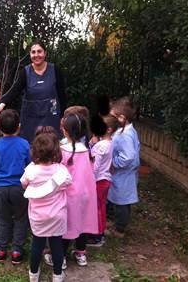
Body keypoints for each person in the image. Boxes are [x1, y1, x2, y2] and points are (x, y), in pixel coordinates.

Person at [21, 127, 71, 282]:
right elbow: (67, 183)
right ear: (55, 152)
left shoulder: (31, 170)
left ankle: (34, 274)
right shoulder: (61, 170)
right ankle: (57, 275)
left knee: (37, 245)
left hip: (38, 216)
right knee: (57, 246)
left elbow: (23, 184)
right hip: (57, 215)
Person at [0, 41, 67, 142]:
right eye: (33, 52)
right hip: (30, 120)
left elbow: (62, 95)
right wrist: (2, 104)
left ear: (45, 53)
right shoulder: (25, 72)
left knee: (51, 147)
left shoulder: (55, 70)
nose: (36, 55)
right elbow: (15, 90)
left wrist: (63, 116)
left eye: (39, 51)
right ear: (30, 54)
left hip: (51, 117)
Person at [0, 109, 31, 264]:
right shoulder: (24, 144)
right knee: (21, 218)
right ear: (19, 127)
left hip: (1, 188)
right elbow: (29, 165)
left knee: (2, 218)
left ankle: (0, 250)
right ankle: (16, 251)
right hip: (20, 187)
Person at [60, 114, 98, 268]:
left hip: (68, 195)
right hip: (86, 194)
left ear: (65, 131)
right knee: (82, 224)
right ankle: (81, 253)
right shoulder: (87, 150)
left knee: (67, 226)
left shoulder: (62, 150)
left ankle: (60, 257)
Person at [107, 97, 140, 238]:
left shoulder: (125, 135)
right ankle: (117, 222)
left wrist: (112, 162)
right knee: (119, 199)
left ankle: (120, 229)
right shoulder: (125, 130)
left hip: (123, 174)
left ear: (122, 118)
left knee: (122, 202)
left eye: (112, 116)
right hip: (123, 174)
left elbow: (128, 157)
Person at [87, 114, 119, 247]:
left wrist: (88, 179)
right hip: (105, 179)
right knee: (101, 207)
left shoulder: (101, 146)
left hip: (98, 180)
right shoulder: (110, 143)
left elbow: (95, 165)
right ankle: (100, 232)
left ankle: (96, 235)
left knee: (96, 208)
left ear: (109, 129)